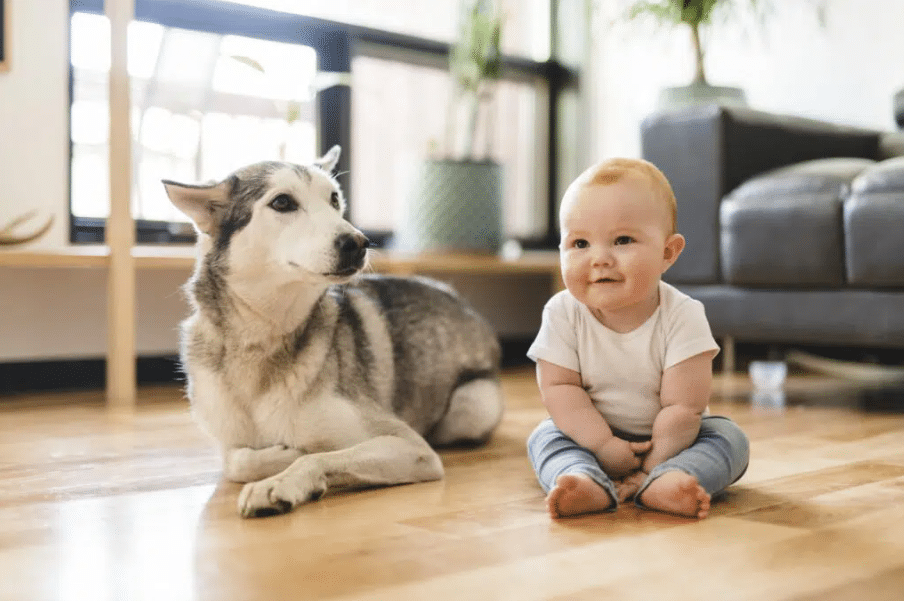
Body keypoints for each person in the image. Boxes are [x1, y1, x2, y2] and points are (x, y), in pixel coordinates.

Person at [526, 158, 749, 519]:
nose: (599, 258)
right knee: (544, 436)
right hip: (588, 435)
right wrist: (601, 444)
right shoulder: (562, 313)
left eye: (622, 240)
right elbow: (559, 389)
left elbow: (683, 406)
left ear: (667, 253)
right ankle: (582, 479)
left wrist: (652, 464)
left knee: (729, 438)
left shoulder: (683, 315)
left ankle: (669, 480)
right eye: (580, 243)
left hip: (676, 440)